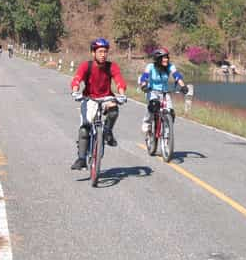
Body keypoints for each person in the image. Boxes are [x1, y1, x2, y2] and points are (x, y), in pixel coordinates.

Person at [70, 38, 128, 170]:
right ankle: (81, 159)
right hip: (89, 98)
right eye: (100, 51)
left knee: (114, 109)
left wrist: (122, 93)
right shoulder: (87, 66)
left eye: (105, 52)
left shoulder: (111, 66)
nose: (103, 54)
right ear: (93, 53)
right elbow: (77, 79)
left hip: (106, 97)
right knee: (85, 128)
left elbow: (119, 80)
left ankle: (107, 132)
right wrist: (75, 91)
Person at [138, 47, 188, 132]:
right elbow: (144, 77)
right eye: (164, 58)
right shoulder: (150, 67)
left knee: (170, 113)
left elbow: (177, 76)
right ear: (158, 59)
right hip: (151, 91)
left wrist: (183, 86)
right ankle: (147, 122)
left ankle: (167, 135)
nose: (166, 60)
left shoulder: (170, 66)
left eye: (167, 57)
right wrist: (144, 86)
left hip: (164, 92)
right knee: (154, 106)